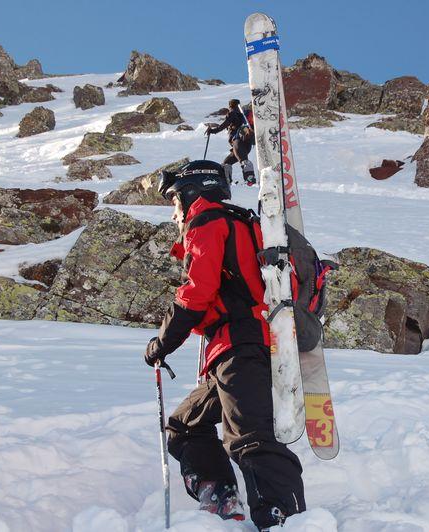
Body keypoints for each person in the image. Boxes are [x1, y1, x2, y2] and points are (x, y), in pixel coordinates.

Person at [143, 159, 305, 530]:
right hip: (243, 348)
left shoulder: (208, 222)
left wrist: (162, 342)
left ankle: (284, 521)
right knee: (184, 425)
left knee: (251, 437)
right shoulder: (246, 223)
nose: (174, 212)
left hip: (241, 347)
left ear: (190, 193)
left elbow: (195, 294)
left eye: (174, 201)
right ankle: (221, 500)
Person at [206, 99, 256, 186]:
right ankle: (228, 180)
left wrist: (213, 131)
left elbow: (225, 124)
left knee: (243, 160)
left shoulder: (232, 113)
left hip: (238, 142)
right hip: (247, 145)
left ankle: (250, 179)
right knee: (227, 162)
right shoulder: (242, 115)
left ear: (230, 106)